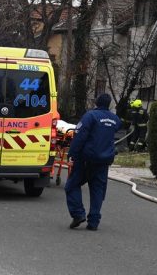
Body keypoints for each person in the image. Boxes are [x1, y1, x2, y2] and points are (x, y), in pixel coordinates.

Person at [65, 93, 121, 231]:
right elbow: (114, 131)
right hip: (104, 161)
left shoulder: (90, 116)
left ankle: (78, 214)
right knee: (97, 190)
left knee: (72, 185)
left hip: (86, 160)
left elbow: (79, 137)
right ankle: (94, 222)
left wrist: (71, 155)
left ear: (97, 102)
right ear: (109, 104)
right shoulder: (115, 119)